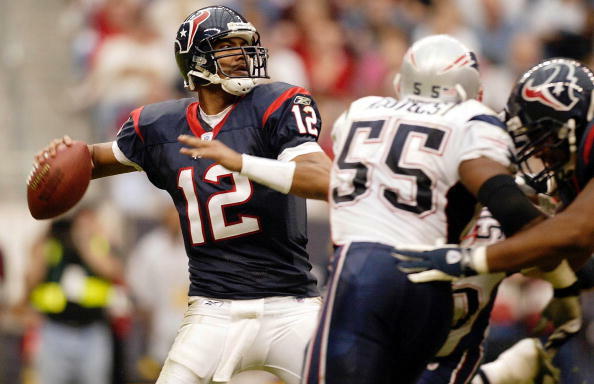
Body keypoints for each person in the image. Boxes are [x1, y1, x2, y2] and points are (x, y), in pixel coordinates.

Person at [35, 5, 331, 384]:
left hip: (291, 307)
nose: (243, 55)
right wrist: (61, 156)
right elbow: (91, 160)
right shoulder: (158, 126)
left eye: (245, 45)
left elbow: (323, 180)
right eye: (229, 46)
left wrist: (241, 162)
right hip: (214, 309)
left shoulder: (277, 104)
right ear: (196, 59)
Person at [302, 34, 549, 384]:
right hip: (435, 304)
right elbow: (526, 224)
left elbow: (337, 189)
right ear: (473, 92)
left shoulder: (362, 112)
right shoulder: (477, 127)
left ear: (402, 82)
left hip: (368, 275)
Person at [394, 58, 594, 284]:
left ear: (574, 123)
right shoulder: (578, 172)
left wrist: (468, 260)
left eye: (544, 139)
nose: (538, 153)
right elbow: (564, 258)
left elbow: (576, 233)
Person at [26, 207, 123, 384]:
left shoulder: (99, 244)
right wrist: (47, 230)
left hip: (93, 332)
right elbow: (31, 280)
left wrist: (84, 242)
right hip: (55, 331)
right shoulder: (52, 243)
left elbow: (112, 271)